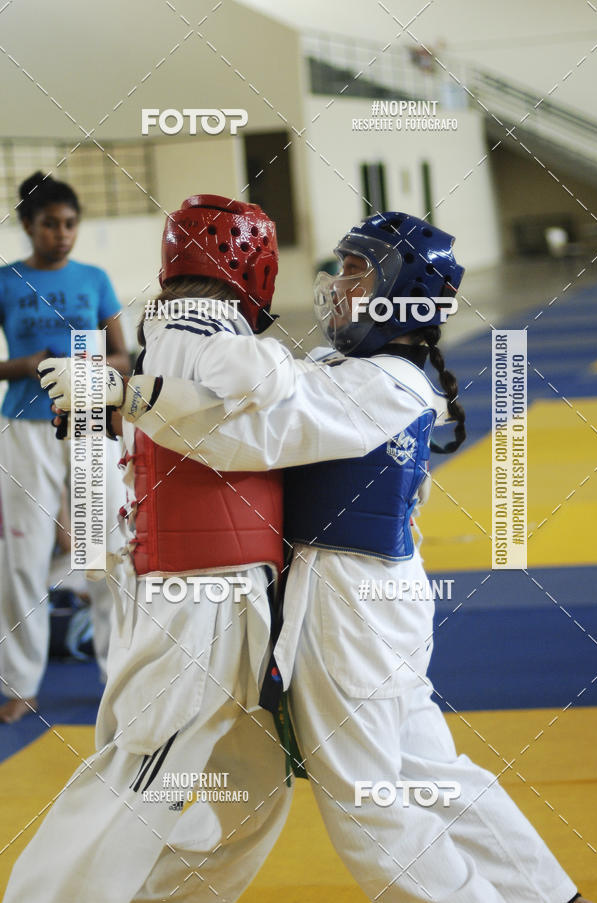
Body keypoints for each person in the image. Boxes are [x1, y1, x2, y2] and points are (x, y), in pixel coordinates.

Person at [32, 210, 588, 902]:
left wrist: (132, 394)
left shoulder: (385, 385)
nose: (337, 284)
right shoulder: (349, 368)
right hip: (361, 602)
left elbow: (256, 433)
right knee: (426, 773)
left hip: (349, 609)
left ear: (403, 292)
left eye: (358, 271)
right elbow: (249, 396)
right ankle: (547, 892)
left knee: (372, 813)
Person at [4, 194, 299, 903]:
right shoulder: (207, 332)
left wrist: (123, 390)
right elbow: (259, 387)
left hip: (225, 592)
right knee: (142, 781)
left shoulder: (170, 327)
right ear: (252, 265)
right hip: (199, 598)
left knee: (254, 794)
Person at [0, 171, 129, 723]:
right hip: (26, 430)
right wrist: (25, 367)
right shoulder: (6, 282)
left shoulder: (94, 279)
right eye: (50, 224)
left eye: (70, 224)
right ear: (28, 226)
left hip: (89, 425)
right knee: (22, 560)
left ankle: (117, 677)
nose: (62, 234)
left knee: (102, 553)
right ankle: (20, 684)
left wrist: (92, 365)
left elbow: (126, 356)